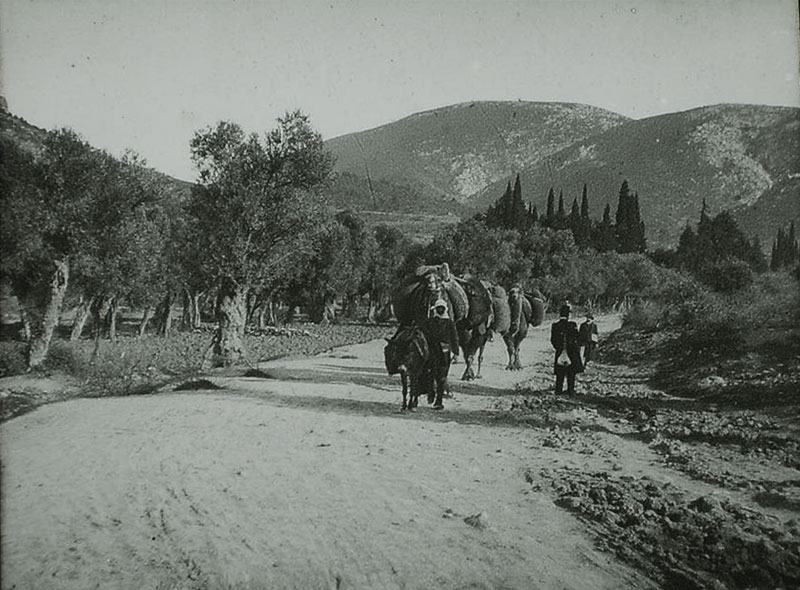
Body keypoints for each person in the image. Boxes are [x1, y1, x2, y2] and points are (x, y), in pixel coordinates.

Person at [550, 304, 584, 395]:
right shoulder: (572, 325)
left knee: (560, 374)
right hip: (571, 352)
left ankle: (558, 391)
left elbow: (553, 340)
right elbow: (577, 338)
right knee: (571, 374)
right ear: (568, 315)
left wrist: (559, 348)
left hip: (560, 351)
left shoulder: (555, 325)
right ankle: (570, 391)